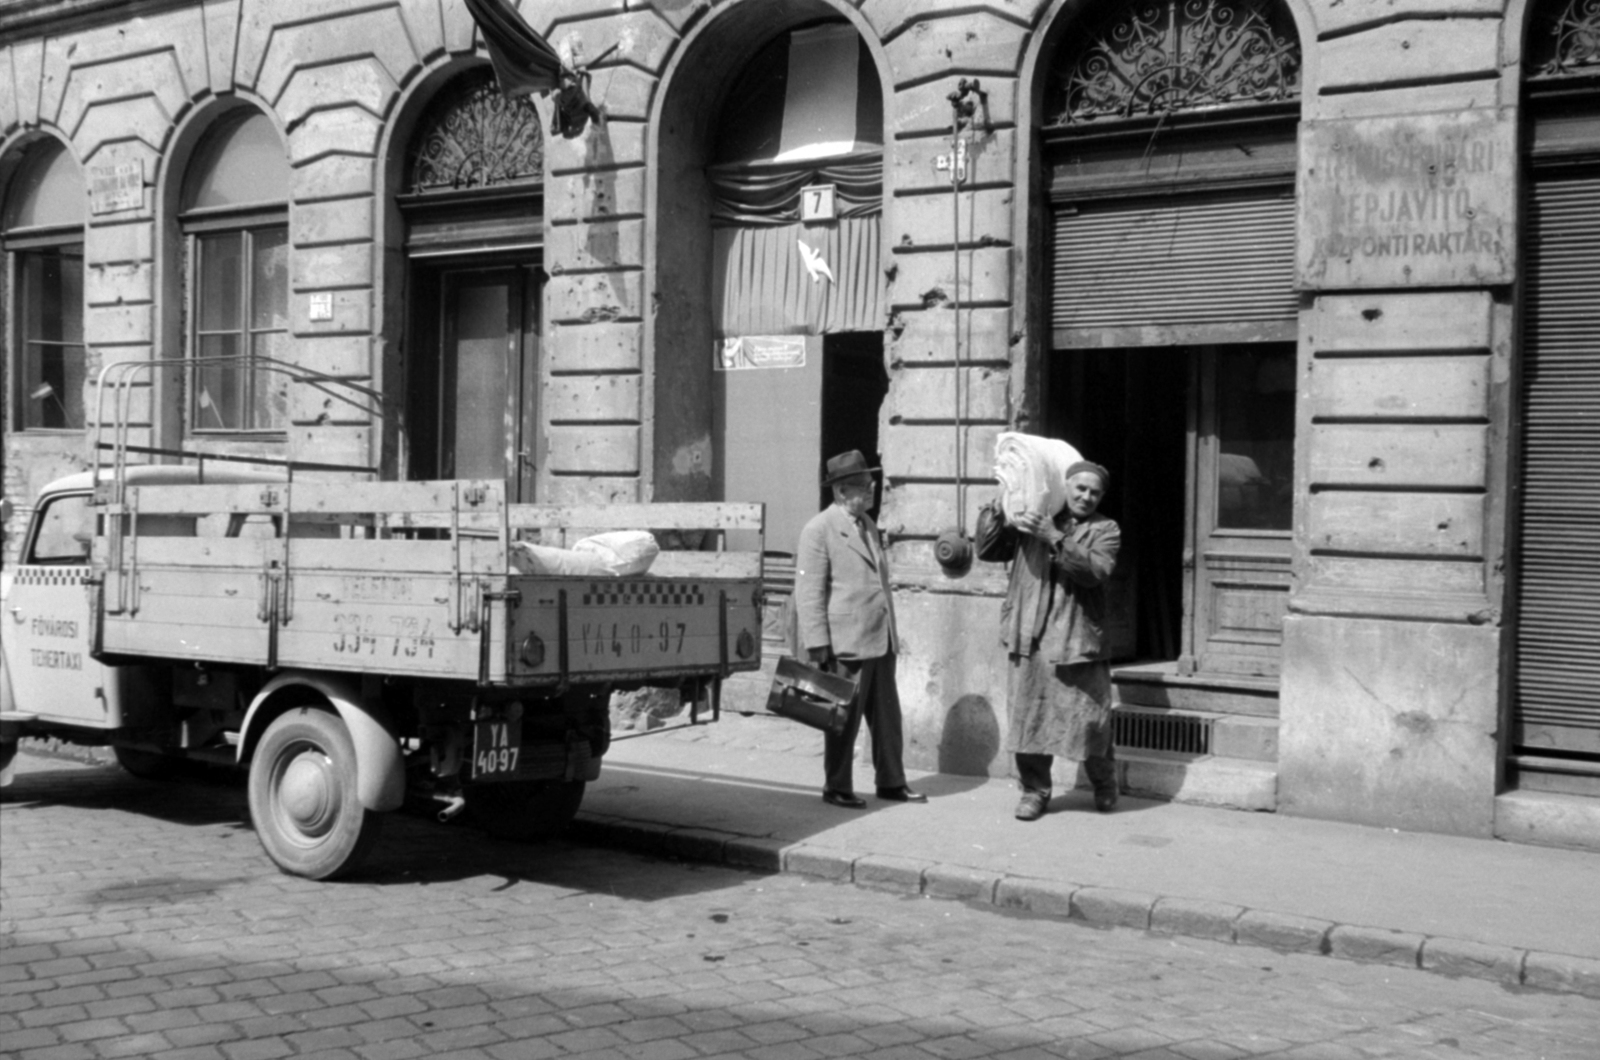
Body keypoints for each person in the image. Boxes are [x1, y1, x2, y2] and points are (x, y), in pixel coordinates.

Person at [975, 460, 1121, 820]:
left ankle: (1104, 782)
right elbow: (987, 550)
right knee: (1030, 716)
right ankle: (1035, 791)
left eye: (1094, 492)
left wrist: (1054, 537)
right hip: (1032, 633)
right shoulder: (1037, 517)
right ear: (1064, 487)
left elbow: (1095, 571)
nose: (1086, 497)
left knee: (1090, 721)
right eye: (1080, 488)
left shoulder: (1106, 529)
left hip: (1077, 639)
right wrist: (1000, 506)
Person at [794, 450, 925, 809]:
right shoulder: (818, 529)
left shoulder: (867, 524)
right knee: (842, 718)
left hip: (880, 637)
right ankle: (836, 786)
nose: (871, 491)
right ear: (840, 491)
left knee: (887, 719)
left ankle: (892, 782)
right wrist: (817, 643)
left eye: (871, 484)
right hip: (846, 642)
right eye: (863, 486)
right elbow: (808, 591)